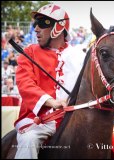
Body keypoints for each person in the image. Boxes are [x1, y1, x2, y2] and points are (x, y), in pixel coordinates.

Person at [14, 4, 85, 158]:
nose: (36, 29)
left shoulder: (79, 55)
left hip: (72, 121)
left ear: (58, 27)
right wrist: (52, 102)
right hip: (37, 121)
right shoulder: (29, 52)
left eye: (42, 23)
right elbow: (25, 84)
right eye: (35, 24)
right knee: (29, 139)